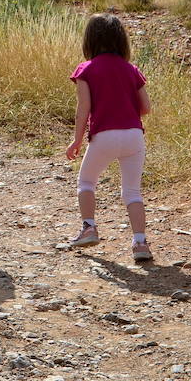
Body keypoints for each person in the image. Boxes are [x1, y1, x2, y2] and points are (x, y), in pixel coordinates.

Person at [66, 14, 154, 262]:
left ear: (90, 40)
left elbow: (83, 108)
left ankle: (89, 227)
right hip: (134, 136)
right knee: (133, 192)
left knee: (86, 182)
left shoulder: (86, 70)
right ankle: (140, 243)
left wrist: (76, 140)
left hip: (104, 136)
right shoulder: (131, 70)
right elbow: (146, 107)